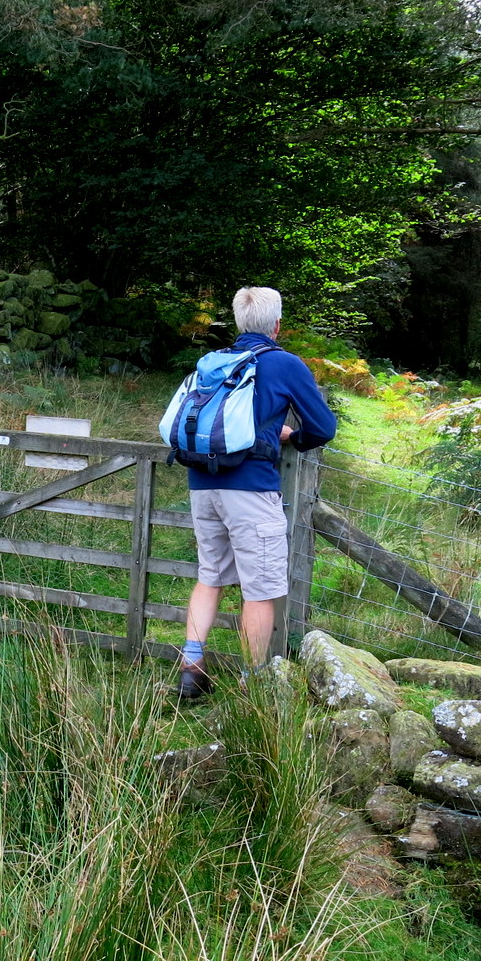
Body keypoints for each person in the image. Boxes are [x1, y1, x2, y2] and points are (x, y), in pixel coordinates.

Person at [173, 287, 337, 700]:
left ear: (239, 322)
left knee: (210, 576)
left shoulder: (214, 362)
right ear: (276, 325)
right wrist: (292, 437)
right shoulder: (284, 364)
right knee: (260, 591)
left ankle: (191, 668)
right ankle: (252, 684)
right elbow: (323, 428)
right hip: (251, 489)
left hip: (202, 484)